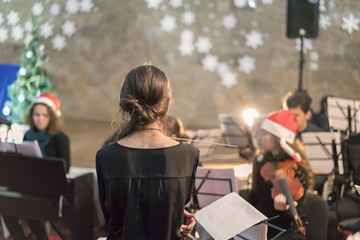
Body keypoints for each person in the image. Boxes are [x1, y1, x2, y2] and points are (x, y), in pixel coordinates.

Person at [96, 65, 199, 239]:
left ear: (125, 101)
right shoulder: (188, 154)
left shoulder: (106, 156)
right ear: (166, 102)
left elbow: (112, 217)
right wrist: (174, 213)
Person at [248, 109, 328, 240]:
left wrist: (285, 208)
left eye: (264, 133)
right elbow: (256, 197)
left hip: (285, 231)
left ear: (277, 137)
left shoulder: (297, 170)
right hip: (260, 228)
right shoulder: (261, 162)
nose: (259, 138)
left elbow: (295, 215)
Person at [3, 92, 70, 240]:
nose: (40, 119)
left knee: (30, 204)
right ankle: (19, 236)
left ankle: (41, 236)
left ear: (51, 117)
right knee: (5, 201)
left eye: (45, 115)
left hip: (50, 187)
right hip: (28, 183)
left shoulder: (60, 138)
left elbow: (66, 167)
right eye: (36, 115)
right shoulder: (28, 135)